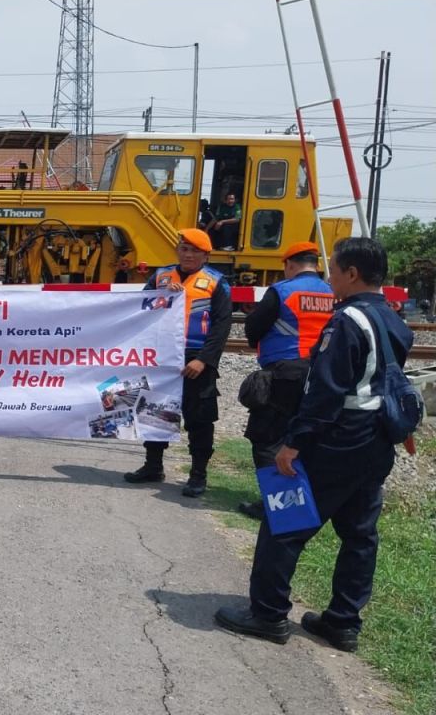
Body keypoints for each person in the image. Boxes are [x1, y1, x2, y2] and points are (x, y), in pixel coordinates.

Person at [215, 238, 413, 653]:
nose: (329, 278)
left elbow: (326, 391)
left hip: (339, 439)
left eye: (334, 270)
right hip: (377, 440)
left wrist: (293, 444)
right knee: (360, 535)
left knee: (283, 524)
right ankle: (343, 623)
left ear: (352, 274)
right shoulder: (393, 319)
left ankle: (268, 615)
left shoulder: (347, 322)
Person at [125, 228, 231, 497]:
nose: (188, 254)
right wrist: (161, 296)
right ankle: (153, 465)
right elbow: (139, 309)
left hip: (196, 359)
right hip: (162, 356)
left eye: (194, 250)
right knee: (155, 412)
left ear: (206, 255)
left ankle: (198, 475)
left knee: (199, 419)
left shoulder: (217, 282)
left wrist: (205, 360)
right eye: (184, 249)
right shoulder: (161, 276)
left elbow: (222, 326)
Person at [236, 242, 334, 519]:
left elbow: (254, 328)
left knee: (267, 438)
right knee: (302, 435)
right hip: (320, 372)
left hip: (285, 372)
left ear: (290, 264)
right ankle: (302, 500)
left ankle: (278, 506)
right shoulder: (332, 291)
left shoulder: (282, 290)